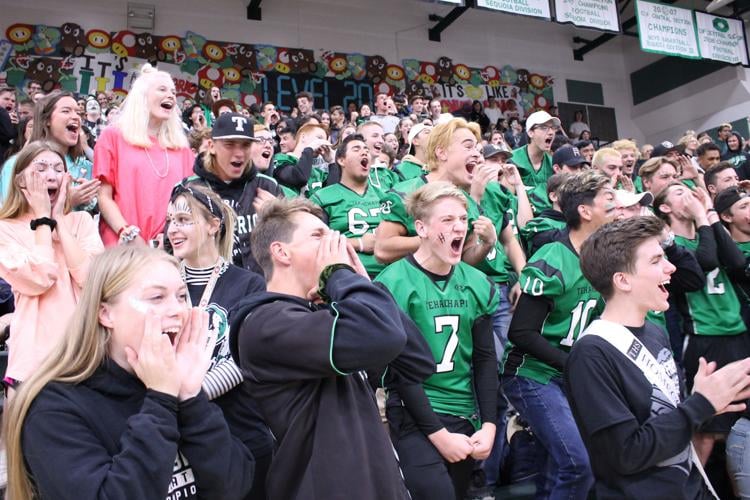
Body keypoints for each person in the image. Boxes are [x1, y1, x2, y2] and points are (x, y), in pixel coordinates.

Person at [4, 245, 255, 500]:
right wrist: (160, 400)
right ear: (105, 313)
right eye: (156, 298)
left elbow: (234, 485)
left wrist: (191, 398)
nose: (177, 310)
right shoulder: (53, 407)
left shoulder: (173, 383)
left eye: (181, 296)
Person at [228, 197, 430, 500]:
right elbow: (384, 335)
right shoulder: (264, 324)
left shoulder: (328, 313)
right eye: (318, 236)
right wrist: (339, 275)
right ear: (281, 252)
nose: (336, 243)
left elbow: (416, 363)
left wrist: (363, 281)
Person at [566, 216, 750, 499]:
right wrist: (699, 405)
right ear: (623, 280)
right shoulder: (591, 354)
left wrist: (707, 405)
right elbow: (626, 453)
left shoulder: (655, 332)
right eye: (655, 261)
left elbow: (665, 422)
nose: (671, 267)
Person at [375, 182, 498, 500]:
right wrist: (438, 435)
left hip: (464, 412)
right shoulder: (394, 284)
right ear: (421, 228)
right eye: (447, 220)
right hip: (415, 412)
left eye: (462, 218)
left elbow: (484, 360)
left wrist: (489, 424)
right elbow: (403, 373)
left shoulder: (476, 283)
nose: (459, 226)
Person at [502, 170, 617, 500]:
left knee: (562, 465)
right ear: (584, 210)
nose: (615, 204)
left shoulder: (600, 259)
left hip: (568, 373)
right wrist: (574, 366)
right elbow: (521, 332)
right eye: (607, 198)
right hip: (532, 373)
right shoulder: (553, 256)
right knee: (577, 462)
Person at [166, 185, 273, 499]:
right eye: (170, 221)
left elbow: (245, 359)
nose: (173, 229)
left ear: (214, 225)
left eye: (184, 220)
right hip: (181, 439)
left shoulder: (249, 283)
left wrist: (189, 396)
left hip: (239, 431)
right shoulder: (162, 281)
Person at [654, 182, 749, 464]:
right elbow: (705, 262)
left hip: (738, 331)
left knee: (742, 423)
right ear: (665, 208)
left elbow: (734, 260)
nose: (690, 195)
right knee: (709, 428)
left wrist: (708, 213)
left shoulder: (708, 234)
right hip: (704, 335)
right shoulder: (670, 245)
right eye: (679, 192)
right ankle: (691, 487)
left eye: (690, 189)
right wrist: (702, 216)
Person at [0, 141, 104, 385]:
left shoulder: (81, 222)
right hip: (33, 360)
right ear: (20, 181)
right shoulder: (6, 229)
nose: (52, 175)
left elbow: (91, 278)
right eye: (42, 168)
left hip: (83, 354)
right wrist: (44, 221)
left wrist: (58, 219)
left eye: (59, 169)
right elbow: (39, 277)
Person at [94, 64, 194, 247]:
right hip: (122, 246)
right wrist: (127, 233)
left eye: (173, 91)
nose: (171, 95)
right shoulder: (113, 136)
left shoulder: (182, 148)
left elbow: (189, 201)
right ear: (142, 97)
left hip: (169, 249)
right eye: (162, 89)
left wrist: (172, 237)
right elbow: (104, 197)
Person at [176, 113, 282, 274]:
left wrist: (277, 219)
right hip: (209, 290)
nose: (239, 153)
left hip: (261, 290)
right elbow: (172, 248)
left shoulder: (267, 186)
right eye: (230, 144)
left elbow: (290, 243)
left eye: (245, 145)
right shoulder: (189, 189)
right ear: (211, 146)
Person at [1, 92, 101, 213]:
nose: (76, 117)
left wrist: (88, 201)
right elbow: (11, 214)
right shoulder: (17, 164)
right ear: (46, 120)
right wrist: (67, 200)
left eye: (78, 112)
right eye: (66, 111)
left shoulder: (86, 167)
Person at [309, 134, 386, 277]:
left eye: (366, 150)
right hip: (346, 275)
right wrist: (359, 243)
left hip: (389, 273)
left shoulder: (385, 196)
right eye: (356, 149)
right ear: (341, 160)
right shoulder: (322, 198)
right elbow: (313, 243)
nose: (364, 152)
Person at [510, 110, 558, 189]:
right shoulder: (512, 159)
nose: (551, 132)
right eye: (544, 128)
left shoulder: (553, 164)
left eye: (553, 128)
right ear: (530, 133)